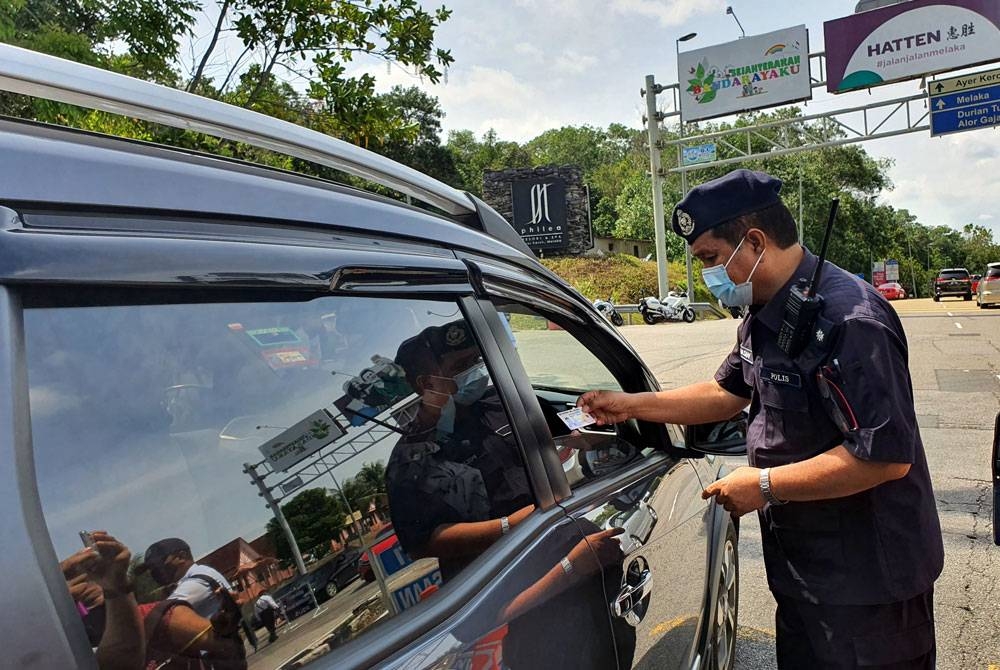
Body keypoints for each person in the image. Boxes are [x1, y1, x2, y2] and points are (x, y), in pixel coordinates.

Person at [579, 169, 943, 669]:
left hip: (869, 585)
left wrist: (765, 485)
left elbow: (883, 457)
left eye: (710, 259)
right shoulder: (766, 309)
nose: (707, 275)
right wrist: (628, 405)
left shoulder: (850, 321)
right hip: (804, 572)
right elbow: (726, 392)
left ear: (753, 242)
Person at [387, 319, 535, 581]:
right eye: (461, 366)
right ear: (427, 384)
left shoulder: (501, 402)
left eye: (476, 359)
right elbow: (421, 543)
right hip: (490, 579)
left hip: (546, 540)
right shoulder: (411, 455)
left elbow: (564, 431)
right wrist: (507, 527)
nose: (476, 370)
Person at [137, 537, 249, 667]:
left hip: (217, 659)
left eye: (158, 564)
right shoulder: (200, 574)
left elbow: (159, 616)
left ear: (182, 556)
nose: (154, 572)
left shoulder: (199, 580)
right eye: (151, 568)